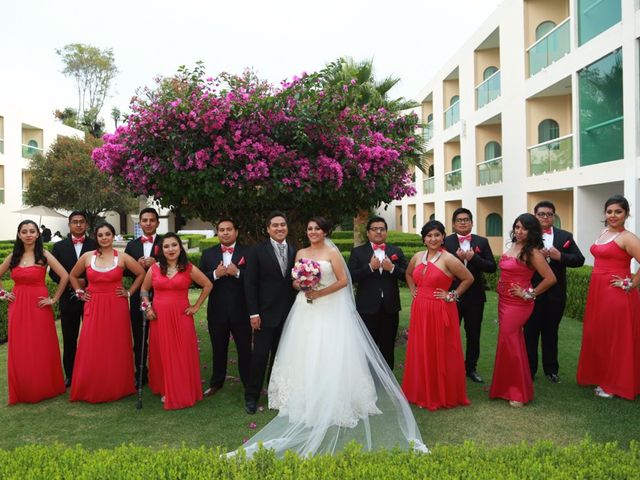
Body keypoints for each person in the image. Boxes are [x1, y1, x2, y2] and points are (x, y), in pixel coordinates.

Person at [234, 217, 426, 457]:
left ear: (325, 231)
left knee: (328, 350)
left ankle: (334, 397)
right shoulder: (300, 251)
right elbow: (293, 281)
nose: (313, 232)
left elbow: (344, 281)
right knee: (303, 350)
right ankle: (302, 396)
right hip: (305, 307)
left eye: (317, 228)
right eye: (310, 228)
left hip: (329, 309)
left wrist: (320, 291)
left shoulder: (332, 252)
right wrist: (302, 284)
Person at [69, 222, 145, 403]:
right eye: (100, 235)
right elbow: (72, 275)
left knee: (115, 345)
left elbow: (141, 273)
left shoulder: (123, 257)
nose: (104, 238)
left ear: (113, 236)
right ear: (96, 237)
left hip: (116, 305)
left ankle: (116, 385)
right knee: (91, 344)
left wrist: (129, 292)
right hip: (93, 304)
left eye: (108, 234)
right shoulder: (87, 257)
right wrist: (80, 292)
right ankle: (92, 385)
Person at [402, 220, 474, 410]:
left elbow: (468, 278)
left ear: (443, 237)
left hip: (440, 309)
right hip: (420, 308)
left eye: (437, 235)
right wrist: (413, 290)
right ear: (424, 238)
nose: (433, 239)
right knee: (421, 349)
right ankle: (421, 391)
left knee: (441, 350)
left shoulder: (448, 258)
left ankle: (441, 393)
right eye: (429, 235)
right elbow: (409, 274)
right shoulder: (418, 256)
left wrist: (452, 295)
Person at [577, 195, 640, 400]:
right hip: (599, 291)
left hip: (616, 294)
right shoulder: (604, 232)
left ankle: (614, 384)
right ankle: (602, 375)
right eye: (610, 211)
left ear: (626, 214)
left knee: (615, 338)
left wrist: (630, 283)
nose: (613, 215)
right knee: (599, 334)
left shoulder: (628, 238)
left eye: (618, 212)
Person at [490, 213, 556, 407]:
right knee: (506, 341)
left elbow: (551, 278)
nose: (519, 231)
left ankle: (519, 391)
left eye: (524, 228)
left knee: (511, 341)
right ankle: (504, 387)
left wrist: (530, 293)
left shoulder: (533, 252)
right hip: (504, 301)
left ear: (532, 231)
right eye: (517, 227)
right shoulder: (513, 246)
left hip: (519, 304)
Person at [141, 233, 212, 409]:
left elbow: (208, 284)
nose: (171, 249)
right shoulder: (155, 269)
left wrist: (196, 306)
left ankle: (181, 389)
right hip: (160, 317)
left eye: (174, 245)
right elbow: (143, 289)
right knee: (163, 352)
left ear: (180, 247)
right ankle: (166, 388)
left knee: (182, 352)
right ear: (161, 250)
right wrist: (148, 307)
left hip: (182, 317)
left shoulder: (188, 268)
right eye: (166, 246)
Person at [0, 220, 68, 404]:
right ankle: (24, 386)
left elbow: (65, 276)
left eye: (32, 231)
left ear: (38, 234)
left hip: (39, 305)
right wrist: (3, 293)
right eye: (24, 231)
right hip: (18, 304)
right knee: (21, 345)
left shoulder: (44, 255)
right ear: (19, 234)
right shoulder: (14, 256)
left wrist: (53, 299)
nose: (28, 234)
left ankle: (44, 385)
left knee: (41, 344)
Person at [524, 201, 585, 383]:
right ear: (535, 216)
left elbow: (579, 259)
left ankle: (551, 370)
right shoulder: (527, 236)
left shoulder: (565, 236)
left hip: (556, 294)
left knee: (551, 332)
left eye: (549, 214)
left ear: (554, 217)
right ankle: (529, 369)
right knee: (530, 332)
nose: (545, 217)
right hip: (532, 291)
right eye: (541, 214)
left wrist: (560, 256)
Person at [243, 211, 297, 414]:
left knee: (281, 357)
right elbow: (250, 284)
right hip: (264, 315)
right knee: (260, 357)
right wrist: (253, 313)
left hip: (289, 314)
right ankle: (251, 397)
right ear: (268, 229)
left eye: (282, 224)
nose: (279, 228)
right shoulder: (257, 251)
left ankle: (275, 393)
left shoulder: (294, 250)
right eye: (275, 225)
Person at [444, 208, 497, 383]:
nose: (463, 222)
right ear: (453, 223)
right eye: (459, 220)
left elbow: (491, 267)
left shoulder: (481, 241)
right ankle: (450, 366)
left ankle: (471, 368)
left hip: (475, 296)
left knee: (474, 333)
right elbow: (441, 265)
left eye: (466, 219)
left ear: (472, 222)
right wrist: (457, 260)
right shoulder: (446, 241)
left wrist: (474, 258)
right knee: (450, 333)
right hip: (452, 294)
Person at [348, 216, 407, 370]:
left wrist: (392, 268)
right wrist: (369, 267)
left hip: (390, 307)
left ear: (386, 232)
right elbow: (351, 277)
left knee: (388, 345)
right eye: (375, 229)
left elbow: (407, 275)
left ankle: (388, 379)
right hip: (366, 307)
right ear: (368, 233)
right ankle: (368, 376)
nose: (378, 232)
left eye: (382, 229)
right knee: (367, 346)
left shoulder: (396, 251)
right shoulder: (358, 252)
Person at [200, 218, 251, 397]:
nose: (226, 233)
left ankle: (248, 384)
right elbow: (198, 280)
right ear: (218, 232)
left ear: (236, 232)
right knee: (218, 349)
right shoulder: (208, 254)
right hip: (217, 311)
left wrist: (237, 272)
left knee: (245, 350)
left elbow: (254, 280)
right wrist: (215, 274)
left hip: (242, 310)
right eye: (222, 230)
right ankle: (216, 382)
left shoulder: (248, 252)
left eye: (229, 229)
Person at [49, 211, 97, 387]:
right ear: (69, 225)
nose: (78, 225)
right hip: (68, 300)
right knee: (70, 339)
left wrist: (86, 281)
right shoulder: (59, 247)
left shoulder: (95, 244)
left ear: (86, 225)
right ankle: (70, 374)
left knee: (92, 338)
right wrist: (71, 283)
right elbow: (54, 272)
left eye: (81, 222)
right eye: (74, 222)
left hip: (91, 297)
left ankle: (92, 372)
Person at [124, 207, 163, 387]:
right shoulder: (131, 245)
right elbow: (123, 269)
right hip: (139, 295)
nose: (148, 223)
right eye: (145, 220)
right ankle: (141, 374)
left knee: (161, 336)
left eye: (152, 220)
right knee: (140, 336)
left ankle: (162, 373)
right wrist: (135, 265)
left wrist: (158, 264)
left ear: (158, 222)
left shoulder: (166, 242)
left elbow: (177, 265)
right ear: (140, 223)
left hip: (162, 295)